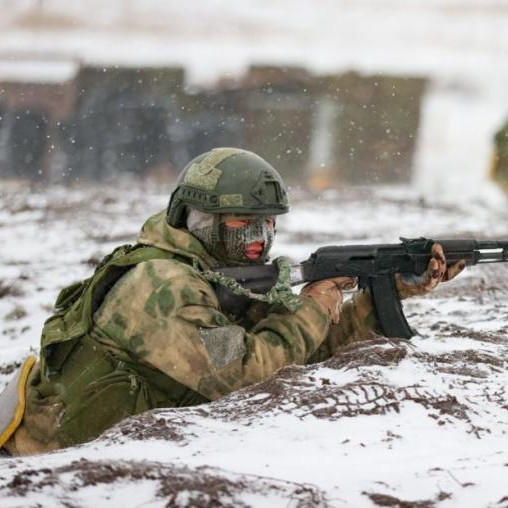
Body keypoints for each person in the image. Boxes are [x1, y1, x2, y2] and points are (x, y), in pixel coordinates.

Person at [0, 147, 464, 456]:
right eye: (245, 224)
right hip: (41, 464)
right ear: (200, 220)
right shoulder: (162, 287)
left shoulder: (208, 274)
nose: (262, 240)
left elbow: (302, 347)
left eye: (268, 224)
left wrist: (391, 291)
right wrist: (312, 306)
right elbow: (248, 375)